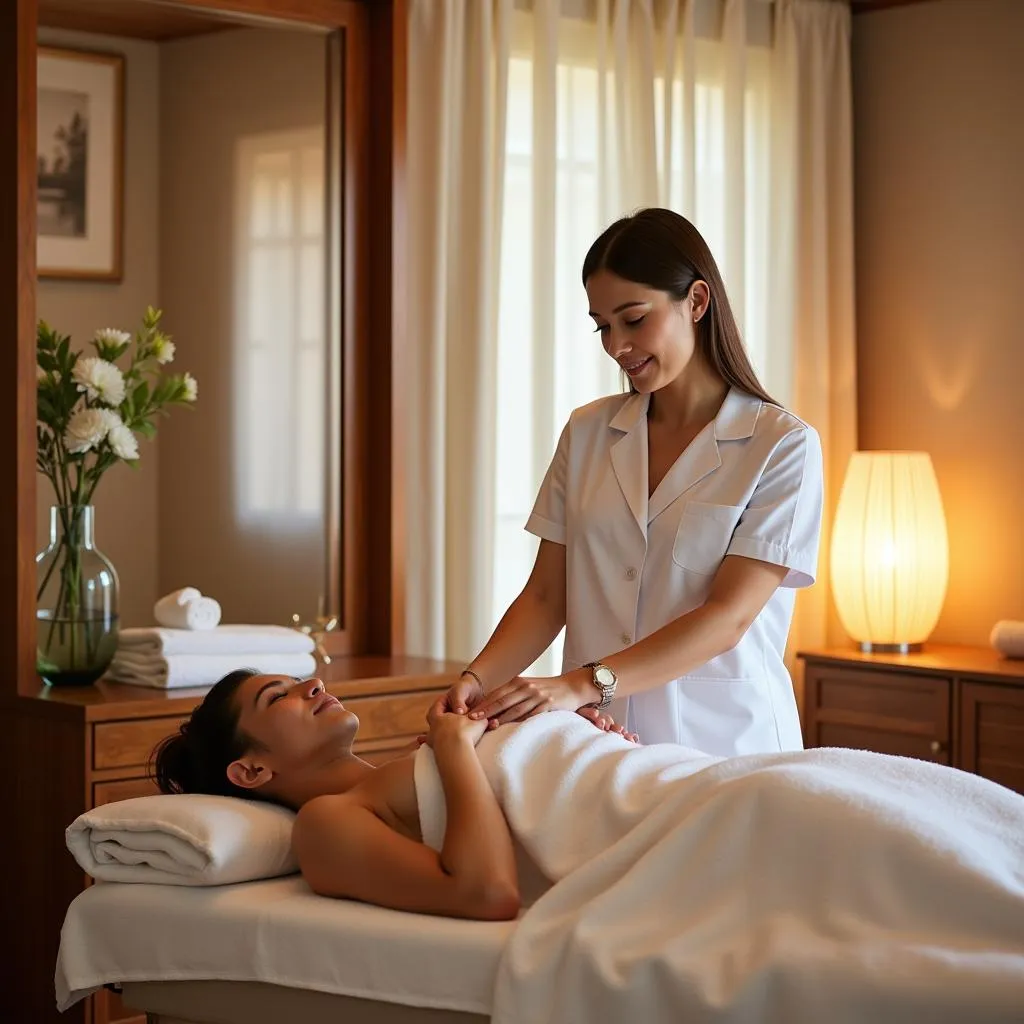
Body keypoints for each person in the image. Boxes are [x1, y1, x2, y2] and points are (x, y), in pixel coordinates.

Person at [446, 208, 824, 756]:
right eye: (603, 326)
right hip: (597, 748)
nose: (616, 345)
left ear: (696, 302)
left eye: (634, 319)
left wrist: (580, 683)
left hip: (725, 747)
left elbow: (728, 617)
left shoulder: (780, 445)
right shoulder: (587, 432)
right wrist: (476, 682)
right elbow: (548, 595)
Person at [153, 671, 631, 921]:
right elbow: (488, 894)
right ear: (253, 770)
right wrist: (455, 749)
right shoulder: (325, 823)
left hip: (655, 787)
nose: (314, 684)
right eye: (278, 698)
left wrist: (582, 735)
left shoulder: (418, 757)